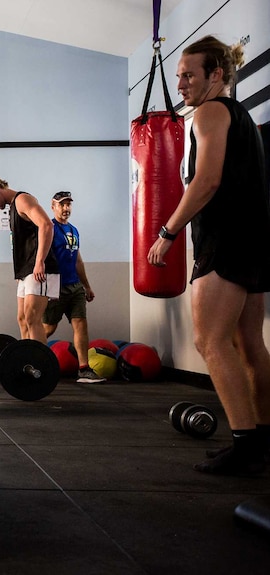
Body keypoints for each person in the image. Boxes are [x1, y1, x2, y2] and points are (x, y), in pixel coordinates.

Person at [147, 36, 270, 476]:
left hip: (225, 239)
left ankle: (243, 443)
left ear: (216, 74)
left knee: (210, 341)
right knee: (247, 342)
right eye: (179, 75)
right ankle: (260, 439)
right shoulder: (240, 115)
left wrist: (167, 232)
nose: (181, 83)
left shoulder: (210, 111)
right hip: (254, 241)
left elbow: (207, 181)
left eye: (188, 75)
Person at [0, 178, 60, 344]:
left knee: (32, 319)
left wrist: (39, 262)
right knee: (22, 319)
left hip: (39, 267)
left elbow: (47, 225)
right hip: (25, 270)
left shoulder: (22, 200)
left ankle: (39, 364)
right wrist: (20, 272)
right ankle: (25, 359)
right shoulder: (13, 207)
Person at [41, 191, 105, 384]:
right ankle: (27, 357)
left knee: (81, 324)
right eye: (62, 205)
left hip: (75, 286)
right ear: (53, 206)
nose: (66, 208)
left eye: (68, 204)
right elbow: (40, 257)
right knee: (48, 328)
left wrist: (87, 286)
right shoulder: (49, 228)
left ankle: (84, 369)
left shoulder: (74, 230)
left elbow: (78, 260)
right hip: (55, 287)